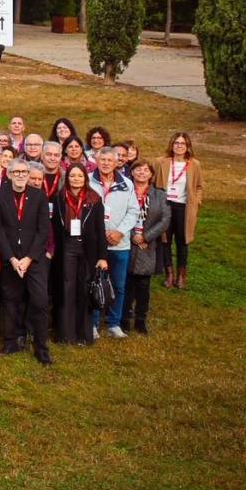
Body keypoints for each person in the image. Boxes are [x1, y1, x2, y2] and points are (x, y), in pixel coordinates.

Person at [0, 158, 52, 365]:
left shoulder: (39, 196)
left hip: (33, 259)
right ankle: (10, 342)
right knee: (10, 302)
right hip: (11, 258)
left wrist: (28, 259)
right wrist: (11, 258)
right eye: (16, 172)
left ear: (28, 175)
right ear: (8, 174)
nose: (20, 175)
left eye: (24, 172)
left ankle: (41, 347)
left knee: (40, 302)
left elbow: (43, 230)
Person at [53, 164, 109, 346]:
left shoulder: (94, 199)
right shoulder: (60, 198)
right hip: (67, 247)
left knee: (84, 289)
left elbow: (101, 230)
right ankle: (66, 334)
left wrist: (102, 256)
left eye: (79, 176)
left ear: (85, 178)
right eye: (72, 176)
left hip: (88, 250)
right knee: (67, 289)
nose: (76, 179)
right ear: (67, 178)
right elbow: (54, 227)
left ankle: (83, 334)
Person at [91, 147, 136, 338]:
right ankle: (92, 324)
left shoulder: (126, 184)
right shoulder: (87, 181)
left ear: (117, 162)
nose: (106, 163)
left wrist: (119, 231)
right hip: (95, 243)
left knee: (118, 285)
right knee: (94, 283)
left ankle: (113, 323)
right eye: (103, 160)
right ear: (97, 161)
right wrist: (100, 233)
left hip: (120, 244)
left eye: (110, 160)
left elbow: (133, 211)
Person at [123, 160, 170, 335]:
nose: (142, 173)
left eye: (145, 170)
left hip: (148, 245)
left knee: (143, 284)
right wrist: (132, 236)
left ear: (151, 174)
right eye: (138, 169)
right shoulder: (125, 191)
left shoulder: (160, 195)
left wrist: (145, 236)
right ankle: (124, 318)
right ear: (132, 173)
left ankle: (141, 319)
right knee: (126, 283)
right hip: (126, 241)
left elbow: (165, 220)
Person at [160, 131, 203, 289]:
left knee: (182, 241)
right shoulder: (162, 162)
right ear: (172, 145)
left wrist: (196, 202)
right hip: (165, 206)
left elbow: (199, 186)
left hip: (183, 207)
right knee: (165, 240)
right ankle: (169, 274)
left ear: (187, 146)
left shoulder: (194, 164)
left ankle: (181, 276)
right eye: (176, 143)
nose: (179, 146)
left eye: (182, 143)